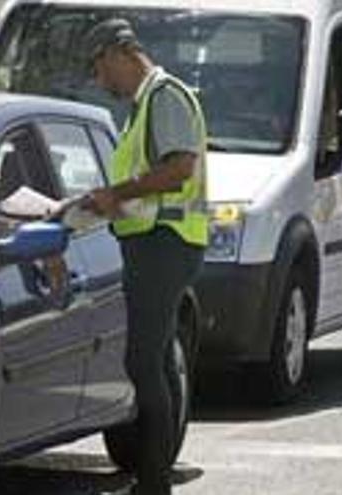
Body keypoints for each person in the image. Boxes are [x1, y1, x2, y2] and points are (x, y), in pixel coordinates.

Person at [81, 18, 208, 494]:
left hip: (165, 242)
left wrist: (117, 193)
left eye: (98, 68)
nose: (100, 81)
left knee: (143, 363)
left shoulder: (163, 96)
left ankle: (153, 482)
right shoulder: (146, 104)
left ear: (118, 54)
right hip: (155, 242)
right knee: (154, 362)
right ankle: (157, 476)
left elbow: (179, 168)